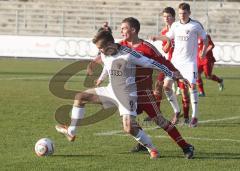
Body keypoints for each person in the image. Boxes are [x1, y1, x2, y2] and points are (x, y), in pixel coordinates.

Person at [55, 30, 188, 159]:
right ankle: (71, 132)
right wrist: (102, 78)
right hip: (110, 90)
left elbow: (151, 63)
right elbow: (107, 66)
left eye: (101, 48)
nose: (100, 51)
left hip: (127, 94)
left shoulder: (128, 54)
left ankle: (151, 148)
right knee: (80, 97)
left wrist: (172, 74)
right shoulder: (104, 53)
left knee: (129, 128)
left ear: (110, 44)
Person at [93, 18, 194, 159]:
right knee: (130, 123)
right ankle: (144, 144)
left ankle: (185, 146)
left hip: (144, 92)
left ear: (133, 30)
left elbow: (162, 62)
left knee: (160, 120)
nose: (121, 31)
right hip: (127, 92)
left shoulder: (147, 47)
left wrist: (175, 73)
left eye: (124, 28)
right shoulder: (119, 46)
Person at [152, 3, 208, 127]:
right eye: (180, 13)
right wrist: (157, 38)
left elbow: (205, 39)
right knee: (166, 87)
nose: (182, 16)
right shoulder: (176, 25)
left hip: (189, 63)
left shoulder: (195, 25)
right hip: (175, 62)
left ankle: (195, 117)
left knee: (192, 87)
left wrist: (203, 53)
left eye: (184, 13)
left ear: (189, 13)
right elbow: (167, 37)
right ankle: (177, 111)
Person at [151, 7, 182, 125]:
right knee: (159, 86)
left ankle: (182, 113)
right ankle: (157, 113)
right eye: (164, 17)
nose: (166, 19)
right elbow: (165, 49)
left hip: (179, 63)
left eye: (168, 16)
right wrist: (168, 42)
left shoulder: (180, 29)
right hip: (167, 63)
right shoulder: (164, 32)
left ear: (174, 17)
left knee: (170, 87)